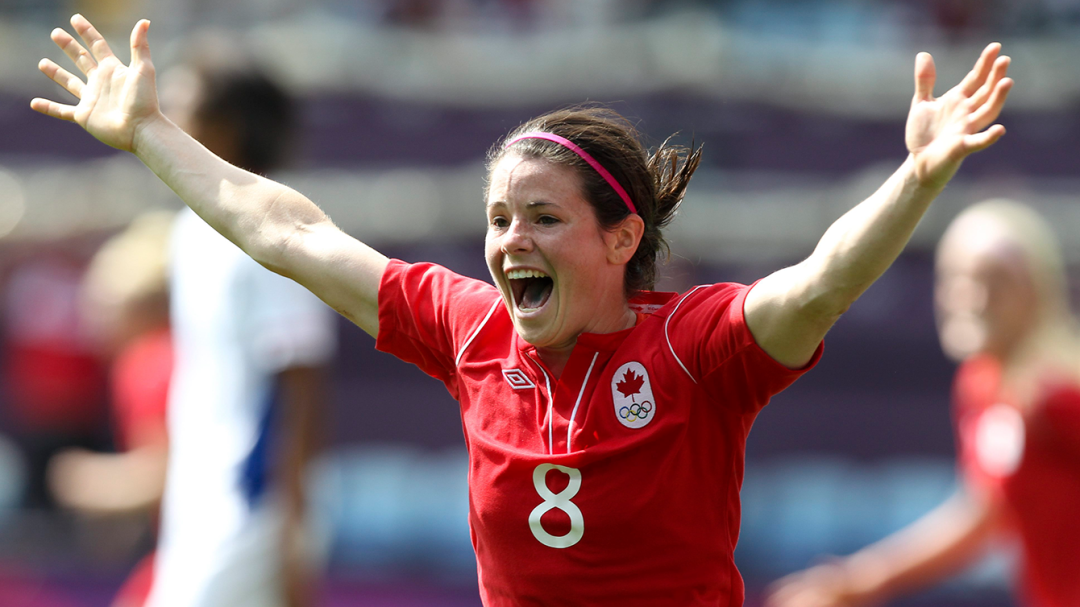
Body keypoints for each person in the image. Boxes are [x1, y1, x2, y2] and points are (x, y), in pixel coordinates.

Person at [31, 14, 1011, 606]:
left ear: (621, 239)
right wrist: (152, 136)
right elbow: (286, 227)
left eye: (544, 218)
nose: (510, 242)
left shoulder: (702, 346)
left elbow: (827, 275)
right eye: (499, 218)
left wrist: (918, 177)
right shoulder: (470, 329)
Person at [43, 32, 338, 607]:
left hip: (248, 514)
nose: (163, 114)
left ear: (227, 126)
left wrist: (292, 525)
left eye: (180, 104)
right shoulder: (189, 231)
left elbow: (301, 379)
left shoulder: (273, 230)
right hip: (198, 508)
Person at [765, 200, 1080, 607]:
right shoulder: (984, 386)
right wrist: (858, 581)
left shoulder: (1056, 397)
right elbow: (984, 513)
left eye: (995, 281)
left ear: (1035, 290)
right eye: (957, 278)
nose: (973, 297)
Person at [48, 210, 175, 607]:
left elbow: (167, 476)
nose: (92, 319)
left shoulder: (149, 361)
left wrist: (85, 481)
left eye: (105, 302)